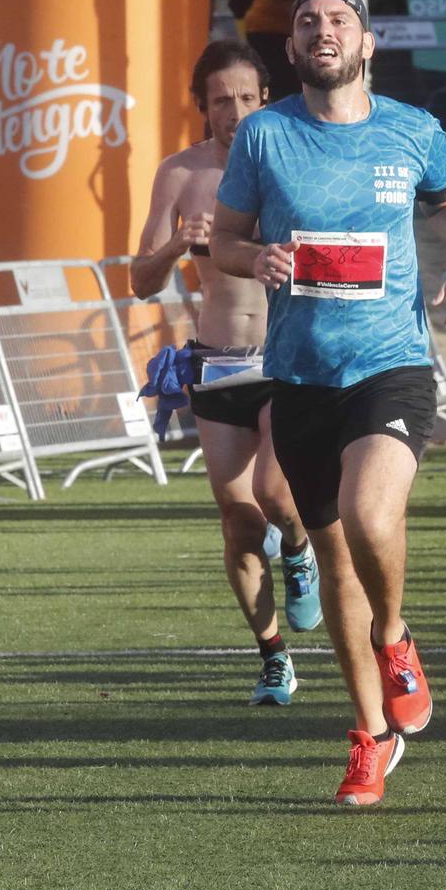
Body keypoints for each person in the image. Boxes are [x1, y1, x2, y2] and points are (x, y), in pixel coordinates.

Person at [211, 0, 446, 807]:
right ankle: (369, 735)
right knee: (334, 559)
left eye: (339, 20)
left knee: (372, 515)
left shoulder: (414, 129)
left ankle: (397, 638)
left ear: (366, 43)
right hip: (299, 375)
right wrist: (252, 258)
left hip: (391, 365)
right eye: (307, 22)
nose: (323, 30)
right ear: (291, 49)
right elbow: (224, 240)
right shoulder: (263, 136)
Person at [132, 40, 321, 707]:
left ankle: (299, 550)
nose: (234, 111)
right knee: (239, 523)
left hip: (284, 354)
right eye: (220, 100)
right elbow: (139, 279)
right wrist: (181, 241)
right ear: (201, 106)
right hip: (216, 363)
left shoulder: (294, 159)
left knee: (275, 490)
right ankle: (273, 658)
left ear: (264, 98)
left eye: (245, 96)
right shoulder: (180, 173)